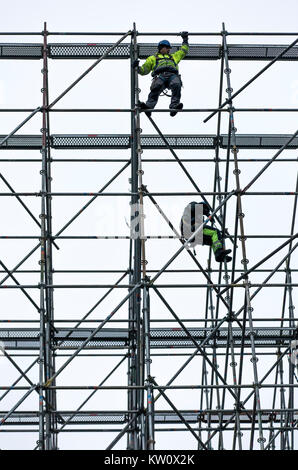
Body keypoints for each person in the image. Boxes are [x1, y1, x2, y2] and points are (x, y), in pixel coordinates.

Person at [132, 32, 189, 117]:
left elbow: (183, 51)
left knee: (176, 84)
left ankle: (174, 107)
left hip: (172, 75)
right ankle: (149, 107)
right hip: (160, 75)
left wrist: (185, 40)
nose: (168, 49)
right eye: (166, 47)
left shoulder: (174, 56)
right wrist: (137, 68)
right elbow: (145, 69)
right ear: (161, 48)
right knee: (156, 86)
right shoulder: (153, 58)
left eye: (168, 48)